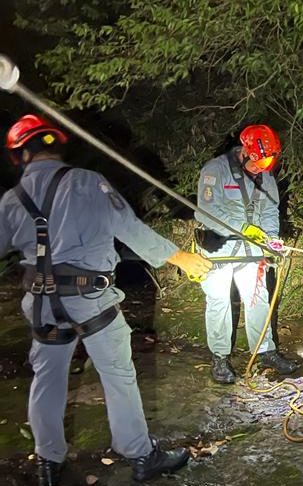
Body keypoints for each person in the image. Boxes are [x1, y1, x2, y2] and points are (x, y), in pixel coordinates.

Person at [0, 114, 213, 485]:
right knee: (117, 375)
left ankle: (48, 463)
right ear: (57, 146)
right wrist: (181, 258)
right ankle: (141, 455)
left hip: (42, 303)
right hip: (92, 298)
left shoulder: (11, 200)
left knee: (47, 380)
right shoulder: (86, 183)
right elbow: (130, 229)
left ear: (17, 157)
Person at [195, 124, 298, 383]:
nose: (260, 169)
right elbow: (207, 211)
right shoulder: (214, 171)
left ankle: (266, 352)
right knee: (219, 302)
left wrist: (272, 240)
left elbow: (270, 210)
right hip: (218, 249)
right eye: (256, 163)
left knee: (258, 299)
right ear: (244, 152)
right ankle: (219, 358)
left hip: (251, 251)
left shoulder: (265, 172)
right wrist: (242, 228)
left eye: (266, 164)